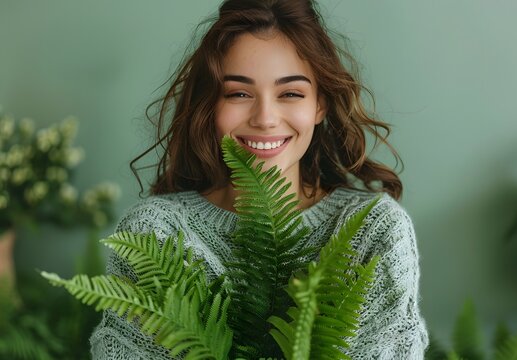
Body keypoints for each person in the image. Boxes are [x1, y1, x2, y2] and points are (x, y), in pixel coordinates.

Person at [90, 0, 429, 358]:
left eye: (290, 93)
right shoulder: (155, 234)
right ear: (212, 105)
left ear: (320, 104)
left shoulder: (373, 230)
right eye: (239, 93)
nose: (265, 118)